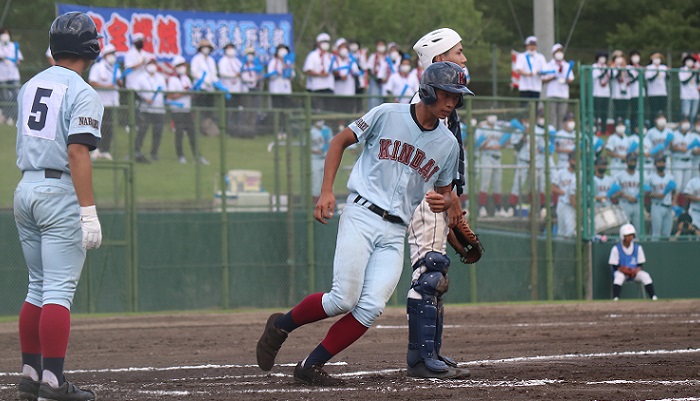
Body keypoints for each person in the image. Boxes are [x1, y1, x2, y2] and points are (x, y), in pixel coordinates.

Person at [255, 61, 469, 385]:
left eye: (457, 96)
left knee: (370, 308)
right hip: (362, 213)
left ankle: (309, 366)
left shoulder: (448, 144)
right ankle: (281, 325)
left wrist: (449, 202)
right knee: (343, 298)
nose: (452, 102)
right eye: (446, 94)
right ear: (427, 91)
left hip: (397, 229)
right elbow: (339, 141)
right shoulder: (388, 114)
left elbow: (443, 193)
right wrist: (326, 190)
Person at [14, 12, 103, 401]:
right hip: (58, 193)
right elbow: (77, 151)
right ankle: (53, 382)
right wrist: (88, 210)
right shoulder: (83, 91)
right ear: (92, 49)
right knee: (58, 292)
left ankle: (30, 374)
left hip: (25, 188)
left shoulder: (29, 85)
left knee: (37, 288)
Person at [406, 27, 472, 379]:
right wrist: (450, 201)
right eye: (458, 52)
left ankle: (430, 353)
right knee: (428, 273)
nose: (464, 58)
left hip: (437, 195)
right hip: (427, 197)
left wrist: (454, 196)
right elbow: (430, 162)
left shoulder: (445, 100)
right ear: (440, 59)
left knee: (436, 274)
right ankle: (421, 359)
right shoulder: (428, 103)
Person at [167, 56, 208, 165]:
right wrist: (184, 93)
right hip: (177, 110)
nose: (182, 68)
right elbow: (171, 95)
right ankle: (180, 155)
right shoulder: (173, 80)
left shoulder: (186, 78)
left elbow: (190, 93)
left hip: (187, 109)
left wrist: (193, 92)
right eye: (179, 66)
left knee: (192, 133)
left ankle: (197, 156)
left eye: (183, 65)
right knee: (179, 133)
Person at [88, 44, 121, 161]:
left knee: (109, 127)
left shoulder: (116, 68)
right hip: (100, 102)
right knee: (97, 126)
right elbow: (92, 81)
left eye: (113, 53)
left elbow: (119, 83)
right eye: (110, 54)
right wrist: (106, 86)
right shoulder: (98, 67)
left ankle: (105, 150)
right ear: (105, 55)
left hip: (112, 103)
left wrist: (119, 82)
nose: (112, 56)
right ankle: (95, 150)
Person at [608, 224, 658, 301]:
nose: (630, 237)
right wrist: (626, 271)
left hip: (634, 273)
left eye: (631, 235)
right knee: (619, 277)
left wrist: (635, 271)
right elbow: (615, 266)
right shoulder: (616, 249)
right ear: (623, 236)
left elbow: (640, 264)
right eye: (628, 235)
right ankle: (616, 298)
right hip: (621, 272)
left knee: (645, 275)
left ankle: (653, 297)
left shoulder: (638, 248)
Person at [133, 57, 166, 163]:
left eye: (154, 63)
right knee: (142, 130)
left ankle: (154, 153)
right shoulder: (140, 77)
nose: (152, 65)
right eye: (150, 63)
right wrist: (145, 99)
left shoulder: (160, 77)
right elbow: (136, 92)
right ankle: (136, 150)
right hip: (145, 109)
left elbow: (164, 92)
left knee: (157, 132)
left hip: (159, 109)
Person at [476, 114, 507, 217]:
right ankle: (482, 208)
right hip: (487, 157)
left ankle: (499, 209)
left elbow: (506, 142)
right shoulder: (482, 129)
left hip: (498, 158)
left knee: (497, 184)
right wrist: (489, 146)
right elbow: (478, 146)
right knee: (485, 184)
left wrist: (501, 145)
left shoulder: (499, 129)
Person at [190, 38, 219, 136]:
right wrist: (203, 79)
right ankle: (196, 129)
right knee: (199, 110)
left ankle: (206, 129)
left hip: (210, 89)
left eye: (207, 47)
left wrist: (215, 82)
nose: (206, 49)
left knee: (208, 110)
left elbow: (214, 73)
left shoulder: (211, 60)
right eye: (204, 47)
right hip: (200, 88)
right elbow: (193, 72)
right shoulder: (196, 59)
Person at [543, 43, 574, 130]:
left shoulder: (567, 65)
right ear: (553, 53)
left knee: (562, 115)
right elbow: (543, 79)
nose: (559, 53)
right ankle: (552, 133)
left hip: (563, 94)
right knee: (552, 115)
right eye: (557, 51)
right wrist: (552, 77)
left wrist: (565, 80)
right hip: (552, 93)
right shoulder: (548, 65)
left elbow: (571, 79)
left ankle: (560, 133)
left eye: (560, 51)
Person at [646, 154, 676, 238]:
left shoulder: (670, 177)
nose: (661, 164)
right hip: (656, 206)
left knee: (666, 234)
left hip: (668, 206)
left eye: (663, 162)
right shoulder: (650, 178)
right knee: (656, 234)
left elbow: (674, 191)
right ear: (655, 164)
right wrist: (657, 195)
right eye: (659, 162)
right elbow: (646, 193)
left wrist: (673, 202)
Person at [303, 33, 334, 111]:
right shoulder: (313, 55)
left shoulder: (330, 56)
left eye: (327, 42)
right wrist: (320, 75)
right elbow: (307, 70)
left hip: (328, 87)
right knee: (318, 110)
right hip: (316, 88)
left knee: (329, 110)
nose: (326, 44)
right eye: (323, 42)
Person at [612, 153, 642, 232]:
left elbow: (644, 190)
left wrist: (636, 197)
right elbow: (615, 192)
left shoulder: (641, 174)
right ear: (626, 162)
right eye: (631, 161)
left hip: (637, 203)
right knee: (624, 230)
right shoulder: (619, 175)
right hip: (624, 203)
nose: (633, 163)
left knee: (638, 230)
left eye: (634, 161)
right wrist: (627, 197)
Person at [0, 27, 23, 125]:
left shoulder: (14, 46)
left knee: (17, 95)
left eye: (7, 33)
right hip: (2, 75)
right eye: (3, 33)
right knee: (5, 98)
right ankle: (8, 117)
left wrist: (17, 61)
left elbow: (20, 59)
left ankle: (17, 116)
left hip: (14, 75)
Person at [671, 116, 695, 206]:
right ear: (680, 123)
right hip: (678, 161)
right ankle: (674, 204)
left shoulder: (691, 135)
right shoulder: (674, 134)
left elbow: (696, 149)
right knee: (677, 185)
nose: (686, 123)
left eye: (687, 121)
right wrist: (680, 149)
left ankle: (683, 206)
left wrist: (691, 149)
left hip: (689, 161)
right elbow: (671, 147)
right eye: (683, 121)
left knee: (686, 186)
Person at [552, 153, 577, 237]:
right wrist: (565, 193)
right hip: (562, 203)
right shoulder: (561, 172)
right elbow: (553, 188)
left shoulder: (580, 174)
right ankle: (560, 249)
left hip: (572, 205)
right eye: (574, 160)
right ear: (569, 161)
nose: (576, 162)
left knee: (570, 230)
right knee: (561, 231)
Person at [309, 119, 332, 201]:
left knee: (327, 182)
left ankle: (326, 204)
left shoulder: (327, 130)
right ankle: (315, 204)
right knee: (315, 183)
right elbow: (306, 146)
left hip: (326, 159)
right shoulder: (310, 131)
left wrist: (323, 149)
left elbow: (331, 142)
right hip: (314, 159)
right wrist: (315, 151)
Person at [645, 52, 669, 124]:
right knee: (653, 111)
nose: (657, 60)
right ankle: (652, 125)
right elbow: (649, 79)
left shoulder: (663, 67)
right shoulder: (649, 67)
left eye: (659, 58)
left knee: (661, 111)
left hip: (662, 92)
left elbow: (668, 77)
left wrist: (667, 71)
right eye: (655, 58)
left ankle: (661, 125)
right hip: (653, 93)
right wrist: (656, 72)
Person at [366, 39, 390, 110]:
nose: (381, 46)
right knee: (374, 100)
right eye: (379, 45)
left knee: (384, 101)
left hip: (386, 82)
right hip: (375, 81)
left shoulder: (388, 57)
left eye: (382, 45)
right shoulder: (373, 56)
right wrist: (376, 78)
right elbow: (369, 69)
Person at [592, 51, 611, 135]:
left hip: (606, 93)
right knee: (597, 113)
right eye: (601, 57)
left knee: (604, 112)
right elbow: (597, 76)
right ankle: (596, 129)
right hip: (597, 93)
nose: (603, 59)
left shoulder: (607, 67)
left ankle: (604, 130)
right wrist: (605, 71)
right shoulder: (594, 66)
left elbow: (611, 76)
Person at [626, 50, 645, 134]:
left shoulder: (640, 67)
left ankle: (640, 129)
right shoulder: (628, 68)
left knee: (641, 112)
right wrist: (638, 72)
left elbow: (643, 79)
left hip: (641, 93)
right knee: (634, 112)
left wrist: (639, 70)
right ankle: (633, 130)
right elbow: (632, 79)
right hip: (633, 93)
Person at [609, 50, 630, 124]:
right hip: (617, 94)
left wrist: (624, 67)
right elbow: (613, 76)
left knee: (624, 112)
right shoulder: (613, 68)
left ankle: (623, 127)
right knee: (618, 111)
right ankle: (617, 126)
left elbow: (631, 77)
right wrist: (619, 69)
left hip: (626, 93)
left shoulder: (627, 67)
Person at [679, 54, 699, 125]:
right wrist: (692, 74)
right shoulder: (682, 70)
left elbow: (697, 82)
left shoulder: (695, 70)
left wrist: (696, 73)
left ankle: (692, 127)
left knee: (693, 113)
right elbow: (684, 81)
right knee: (686, 113)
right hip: (685, 95)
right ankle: (684, 127)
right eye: (688, 61)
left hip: (695, 94)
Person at [682, 165, 700, 231]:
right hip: (695, 212)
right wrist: (698, 199)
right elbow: (686, 195)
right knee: (694, 233)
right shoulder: (693, 181)